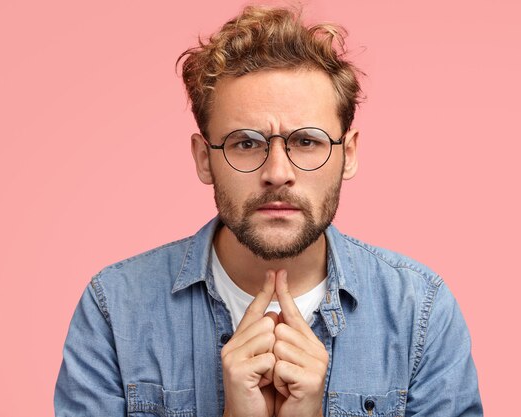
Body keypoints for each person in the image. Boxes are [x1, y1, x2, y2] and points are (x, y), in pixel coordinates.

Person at [54, 5, 482, 417]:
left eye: (307, 141)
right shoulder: (114, 309)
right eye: (245, 143)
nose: (278, 173)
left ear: (347, 154)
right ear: (204, 158)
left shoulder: (420, 312)